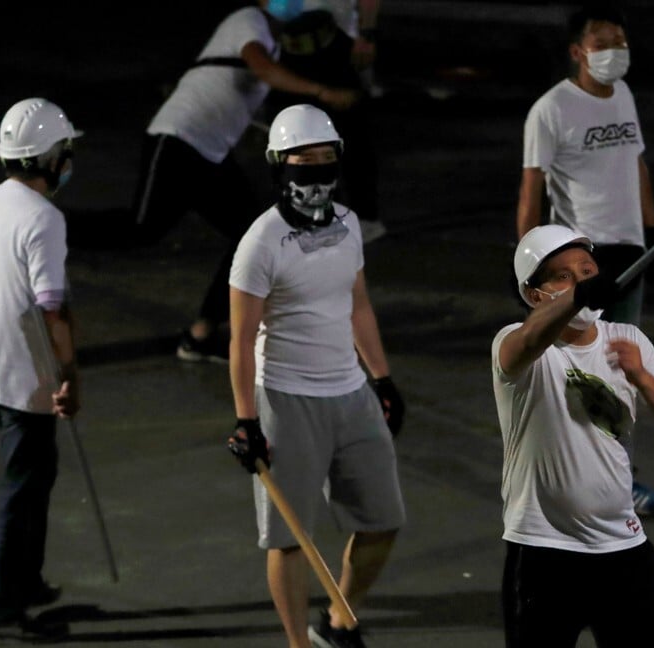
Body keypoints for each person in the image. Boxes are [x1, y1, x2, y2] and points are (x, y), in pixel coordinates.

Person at [227, 103, 405, 648]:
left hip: (350, 393)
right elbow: (241, 341)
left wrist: (382, 379)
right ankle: (298, 645)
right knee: (290, 539)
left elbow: (358, 308)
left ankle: (338, 619)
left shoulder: (349, 224)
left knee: (381, 522)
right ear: (280, 167)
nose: (318, 173)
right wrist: (247, 421)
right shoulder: (260, 243)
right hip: (287, 399)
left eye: (327, 159)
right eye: (304, 162)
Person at [493, 224, 654, 647]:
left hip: (624, 551)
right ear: (534, 295)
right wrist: (578, 299)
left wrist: (641, 376)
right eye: (562, 276)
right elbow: (530, 338)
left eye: (587, 271)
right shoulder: (518, 348)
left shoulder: (627, 339)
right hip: (543, 553)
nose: (580, 281)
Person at [128, 0, 360, 364]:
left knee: (248, 237)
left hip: (211, 151)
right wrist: (321, 92)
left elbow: (269, 79)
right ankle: (47, 228)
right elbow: (262, 69)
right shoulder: (247, 20)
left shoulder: (276, 41)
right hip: (177, 137)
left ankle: (200, 334)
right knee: (139, 230)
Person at [515, 2, 654, 516]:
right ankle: (575, 479)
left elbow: (637, 164)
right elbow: (531, 190)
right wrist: (527, 266)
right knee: (580, 371)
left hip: (629, 253)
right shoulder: (551, 110)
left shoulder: (622, 94)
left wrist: (651, 233)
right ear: (577, 51)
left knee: (622, 370)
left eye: (620, 42)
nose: (614, 52)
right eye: (603, 43)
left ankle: (618, 478)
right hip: (583, 261)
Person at [0, 97, 82, 644]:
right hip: (24, 372)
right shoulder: (44, 219)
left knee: (37, 474)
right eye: (67, 152)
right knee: (23, 488)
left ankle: (26, 584)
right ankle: (0, 613)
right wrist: (68, 376)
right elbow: (50, 306)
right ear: (51, 156)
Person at [264, 0, 387, 244]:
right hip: (291, 48)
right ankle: (318, 219)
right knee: (299, 139)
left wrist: (367, 35)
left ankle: (365, 218)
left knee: (350, 137)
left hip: (334, 44)